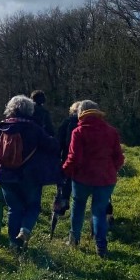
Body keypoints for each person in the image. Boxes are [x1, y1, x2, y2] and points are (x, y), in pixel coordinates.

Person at [0, 95, 60, 250]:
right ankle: (24, 231)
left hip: (6, 175)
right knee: (33, 206)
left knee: (14, 208)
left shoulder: (2, 126)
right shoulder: (34, 128)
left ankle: (13, 244)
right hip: (31, 177)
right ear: (30, 110)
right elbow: (53, 146)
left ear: (10, 108)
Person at [62, 100, 124, 258]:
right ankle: (101, 246)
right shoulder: (112, 132)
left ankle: (74, 240)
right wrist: (111, 170)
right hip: (105, 179)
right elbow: (119, 157)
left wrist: (65, 171)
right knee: (99, 212)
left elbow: (74, 157)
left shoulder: (78, 131)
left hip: (82, 178)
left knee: (78, 208)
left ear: (81, 113)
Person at [50, 101, 81, 236]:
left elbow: (58, 144)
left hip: (66, 163)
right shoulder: (85, 124)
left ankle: (53, 225)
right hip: (82, 166)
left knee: (61, 192)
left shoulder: (66, 123)